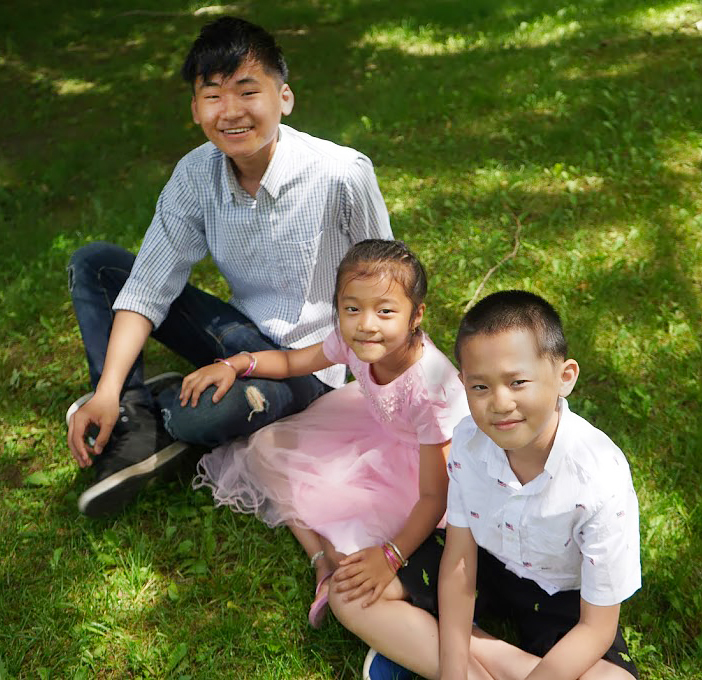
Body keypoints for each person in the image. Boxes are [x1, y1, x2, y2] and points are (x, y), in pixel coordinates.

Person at [65, 17, 391, 517]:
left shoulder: (340, 174)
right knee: (97, 265)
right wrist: (108, 391)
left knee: (214, 416)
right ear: (196, 108)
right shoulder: (196, 173)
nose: (231, 112)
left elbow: (388, 288)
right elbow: (149, 285)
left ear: (284, 97)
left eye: (247, 91)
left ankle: (170, 413)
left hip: (311, 366)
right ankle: (132, 412)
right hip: (236, 336)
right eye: (213, 95)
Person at [340, 289, 641, 680]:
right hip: (486, 568)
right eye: (480, 387)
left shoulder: (600, 480)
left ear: (564, 377)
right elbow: (460, 559)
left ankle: (459, 646)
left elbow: (596, 628)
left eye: (517, 382)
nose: (499, 403)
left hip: (560, 599)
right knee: (349, 595)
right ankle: (462, 662)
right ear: (463, 382)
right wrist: (452, 671)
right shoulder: (468, 439)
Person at [184, 240, 469, 630]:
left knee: (349, 534)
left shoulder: (430, 388)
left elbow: (436, 497)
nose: (366, 324)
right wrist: (235, 365)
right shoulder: (353, 341)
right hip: (373, 429)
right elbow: (291, 361)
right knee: (269, 447)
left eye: (385, 311)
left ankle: (332, 562)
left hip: (429, 468)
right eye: (352, 309)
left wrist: (391, 555)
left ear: (416, 315)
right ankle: (321, 561)